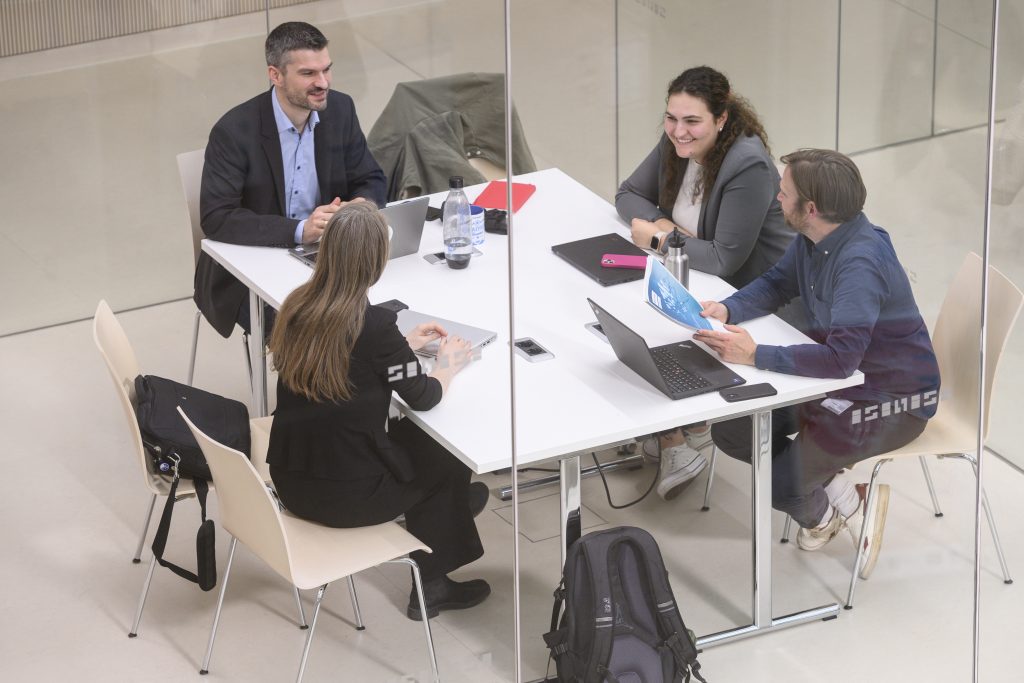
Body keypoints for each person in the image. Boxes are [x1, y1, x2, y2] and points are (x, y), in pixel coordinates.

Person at [692, 149, 941, 579]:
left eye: (783, 193)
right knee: (733, 428)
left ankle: (825, 501)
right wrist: (728, 310)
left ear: (810, 208)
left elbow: (842, 360)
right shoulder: (816, 238)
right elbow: (776, 283)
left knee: (784, 482)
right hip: (843, 381)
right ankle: (845, 496)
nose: (776, 200)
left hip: (894, 400)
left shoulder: (858, 265)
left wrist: (756, 355)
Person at [266, 202, 490, 621]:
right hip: (347, 497)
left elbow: (354, 360)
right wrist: (447, 365)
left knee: (423, 451)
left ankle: (448, 506)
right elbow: (423, 395)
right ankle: (433, 585)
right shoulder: (374, 328)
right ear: (375, 263)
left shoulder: (297, 305)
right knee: (447, 452)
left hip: (292, 479)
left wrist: (400, 345)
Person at [615, 65, 795, 498]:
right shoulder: (678, 141)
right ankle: (677, 433)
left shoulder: (747, 164)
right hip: (701, 283)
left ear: (721, 118)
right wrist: (666, 228)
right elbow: (627, 194)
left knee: (648, 330)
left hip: (760, 301)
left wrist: (658, 238)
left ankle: (675, 436)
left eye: (692, 120)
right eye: (671, 118)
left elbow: (722, 257)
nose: (679, 131)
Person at [194, 21, 387, 338]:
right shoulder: (234, 131)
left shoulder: (340, 109)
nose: (322, 82)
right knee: (323, 332)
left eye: (326, 70)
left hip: (327, 257)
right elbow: (217, 217)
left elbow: (371, 178)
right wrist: (301, 230)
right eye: (308, 74)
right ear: (275, 75)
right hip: (252, 268)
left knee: (377, 316)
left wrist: (357, 209)